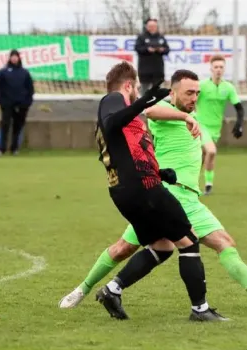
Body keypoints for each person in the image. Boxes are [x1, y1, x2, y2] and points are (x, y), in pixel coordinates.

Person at [60, 68, 247, 313]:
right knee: (132, 248)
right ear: (172, 93)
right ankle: (85, 290)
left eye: (197, 93)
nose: (194, 98)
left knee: (183, 245)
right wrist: (184, 118)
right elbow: (149, 110)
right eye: (189, 93)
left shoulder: (194, 117)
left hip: (186, 196)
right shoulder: (166, 111)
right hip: (168, 195)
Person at [92, 61, 227, 322]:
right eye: (137, 89)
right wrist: (141, 103)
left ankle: (112, 290)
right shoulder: (113, 100)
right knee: (188, 240)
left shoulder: (123, 112)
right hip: (143, 191)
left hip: (129, 189)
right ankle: (200, 310)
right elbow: (110, 123)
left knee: (162, 247)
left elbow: (127, 152)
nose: (138, 94)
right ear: (128, 85)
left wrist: (159, 173)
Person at [196, 55, 245, 195]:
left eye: (221, 67)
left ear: (224, 69)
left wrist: (239, 124)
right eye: (216, 67)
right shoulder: (202, 86)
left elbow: (239, 107)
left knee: (203, 156)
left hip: (215, 129)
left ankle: (203, 184)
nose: (218, 70)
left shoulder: (228, 87)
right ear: (211, 68)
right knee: (211, 151)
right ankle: (206, 186)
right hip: (201, 126)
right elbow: (191, 101)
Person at [0, 49, 34, 156]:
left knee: (18, 127)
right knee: (5, 126)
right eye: (13, 56)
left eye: (16, 56)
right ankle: (1, 149)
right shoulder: (3, 72)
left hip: (21, 106)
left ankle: (14, 149)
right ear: (10, 58)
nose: (14, 58)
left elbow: (30, 89)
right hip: (7, 105)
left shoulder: (24, 73)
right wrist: (1, 102)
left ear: (19, 58)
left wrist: (27, 103)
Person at [134, 18, 170, 96]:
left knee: (158, 92)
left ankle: (158, 107)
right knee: (144, 92)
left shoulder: (161, 37)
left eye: (154, 26)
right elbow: (137, 48)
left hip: (158, 70)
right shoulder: (141, 37)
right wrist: (147, 49)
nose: (152, 27)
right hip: (145, 70)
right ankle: (142, 107)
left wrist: (162, 50)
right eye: (150, 26)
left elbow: (167, 49)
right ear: (147, 26)